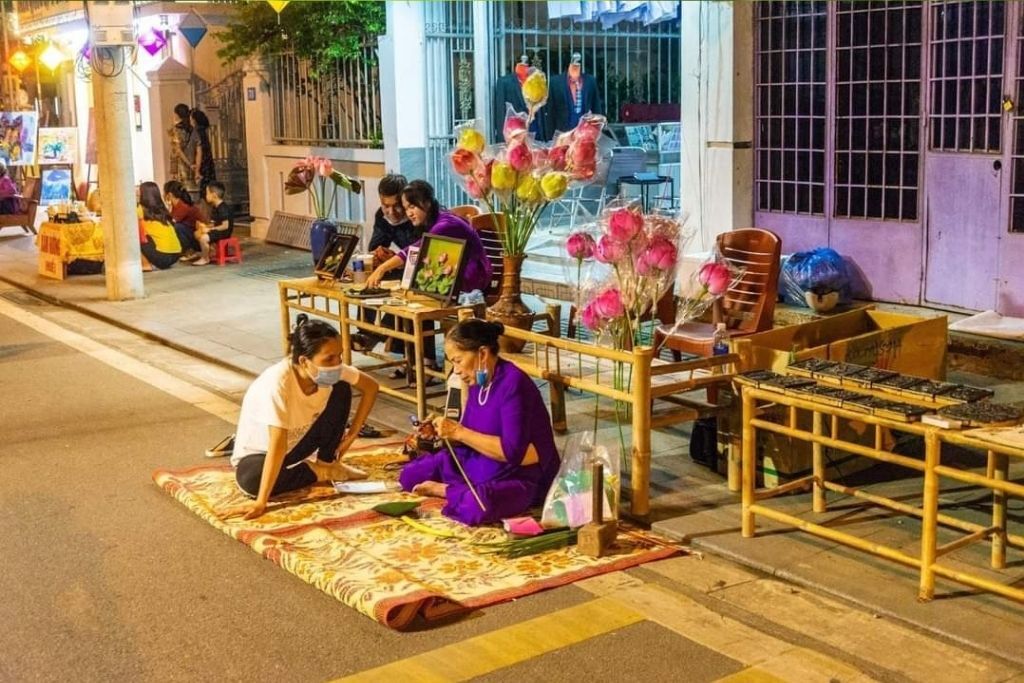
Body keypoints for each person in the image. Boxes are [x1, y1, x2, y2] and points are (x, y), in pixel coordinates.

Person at [399, 319, 560, 526]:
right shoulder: (479, 380)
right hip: (477, 461)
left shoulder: (514, 384)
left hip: (516, 475)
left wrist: (458, 432)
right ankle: (461, 489)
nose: (456, 370)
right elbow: (468, 434)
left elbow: (512, 452)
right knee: (410, 475)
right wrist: (441, 432)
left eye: (458, 361)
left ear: (482, 353)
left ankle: (447, 490)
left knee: (477, 505)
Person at [221, 314, 380, 520]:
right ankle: (320, 472)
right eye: (329, 358)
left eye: (339, 356)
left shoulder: (330, 371)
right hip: (260, 455)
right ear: (304, 361)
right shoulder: (277, 385)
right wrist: (261, 502)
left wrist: (353, 433)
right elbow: (277, 445)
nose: (337, 363)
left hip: (297, 443)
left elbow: (371, 387)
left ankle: (327, 462)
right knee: (252, 482)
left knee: (341, 386)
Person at [365, 180, 492, 372]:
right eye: (406, 208)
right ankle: (414, 360)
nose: (409, 213)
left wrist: (381, 268)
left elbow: (416, 249)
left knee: (414, 298)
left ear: (427, 203)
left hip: (471, 278)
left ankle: (422, 361)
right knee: (409, 294)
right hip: (451, 273)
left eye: (412, 206)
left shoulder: (444, 224)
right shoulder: (435, 219)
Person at [349, 173, 419, 355]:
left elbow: (421, 252)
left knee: (404, 286)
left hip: (423, 268)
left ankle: (381, 333)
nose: (391, 212)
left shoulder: (417, 216)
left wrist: (395, 261)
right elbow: (375, 247)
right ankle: (365, 331)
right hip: (405, 264)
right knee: (371, 278)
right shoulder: (382, 216)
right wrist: (380, 255)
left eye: (397, 206)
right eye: (385, 206)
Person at [137, 181, 182, 270]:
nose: (137, 194)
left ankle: (146, 265)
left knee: (135, 236)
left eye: (139, 192)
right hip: (176, 255)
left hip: (162, 257)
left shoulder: (140, 209)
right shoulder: (163, 209)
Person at [191, 181, 234, 266]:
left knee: (203, 238)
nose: (206, 195)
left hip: (223, 232)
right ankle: (207, 251)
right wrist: (206, 226)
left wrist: (210, 229)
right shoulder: (216, 207)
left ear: (214, 195)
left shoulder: (223, 208)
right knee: (197, 233)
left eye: (207, 193)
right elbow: (215, 223)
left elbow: (225, 226)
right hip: (218, 230)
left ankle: (205, 258)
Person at [163, 180, 202, 258]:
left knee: (177, 227)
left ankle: (188, 251)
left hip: (197, 239)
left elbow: (171, 223)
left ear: (169, 195)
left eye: (164, 192)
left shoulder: (183, 206)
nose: (163, 195)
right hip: (191, 235)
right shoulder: (176, 205)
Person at [190, 108, 216, 199]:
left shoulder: (196, 132)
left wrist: (197, 169)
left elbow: (198, 152)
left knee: (203, 191)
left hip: (201, 165)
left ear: (194, 120)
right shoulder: (203, 131)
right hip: (207, 163)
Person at [168, 103, 195, 185]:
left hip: (180, 163)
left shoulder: (175, 130)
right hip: (193, 159)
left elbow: (178, 150)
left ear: (177, 114)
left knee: (182, 186)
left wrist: (188, 164)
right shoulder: (192, 129)